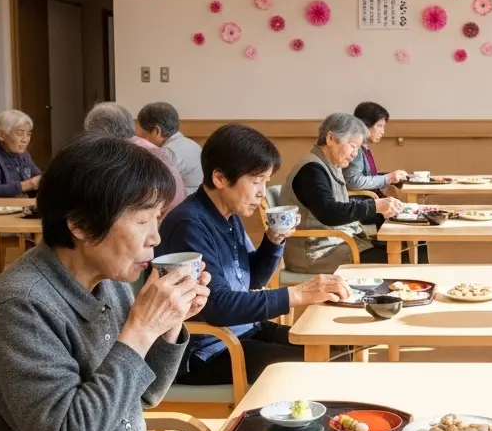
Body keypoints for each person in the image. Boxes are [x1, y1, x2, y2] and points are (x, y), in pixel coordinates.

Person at [0, 133, 208, 431]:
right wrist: (140, 330)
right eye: (142, 220)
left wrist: (169, 322)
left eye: (157, 218)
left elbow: (145, 394)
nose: (156, 237)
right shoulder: (19, 307)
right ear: (80, 225)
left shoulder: (109, 281)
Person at [160, 123, 353, 383]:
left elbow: (252, 280)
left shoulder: (227, 214)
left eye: (266, 182)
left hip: (242, 330)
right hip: (208, 349)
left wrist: (274, 240)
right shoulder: (189, 224)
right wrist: (298, 294)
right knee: (322, 363)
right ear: (220, 179)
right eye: (256, 181)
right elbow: (218, 306)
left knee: (339, 350)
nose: (262, 192)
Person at [277, 113, 427, 273]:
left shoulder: (329, 165)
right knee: (405, 257)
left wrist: (380, 210)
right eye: (353, 146)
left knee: (415, 244)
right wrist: (374, 206)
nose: (355, 153)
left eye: (358, 147)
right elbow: (329, 212)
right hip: (317, 254)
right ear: (331, 139)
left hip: (337, 243)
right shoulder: (311, 170)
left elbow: (337, 208)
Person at [85, 101, 186, 210]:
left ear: (102, 135)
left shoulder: (122, 156)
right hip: (176, 212)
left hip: (161, 216)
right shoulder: (143, 146)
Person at [137, 101, 203, 197]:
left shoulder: (169, 152)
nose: (139, 138)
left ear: (157, 131)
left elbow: (152, 185)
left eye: (141, 133)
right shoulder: (188, 143)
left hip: (187, 200)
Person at [343, 101, 408, 195]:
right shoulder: (356, 150)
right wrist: (388, 178)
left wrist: (392, 177)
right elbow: (354, 182)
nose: (383, 132)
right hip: (364, 201)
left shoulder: (364, 148)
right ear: (365, 125)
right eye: (379, 126)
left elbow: (369, 176)